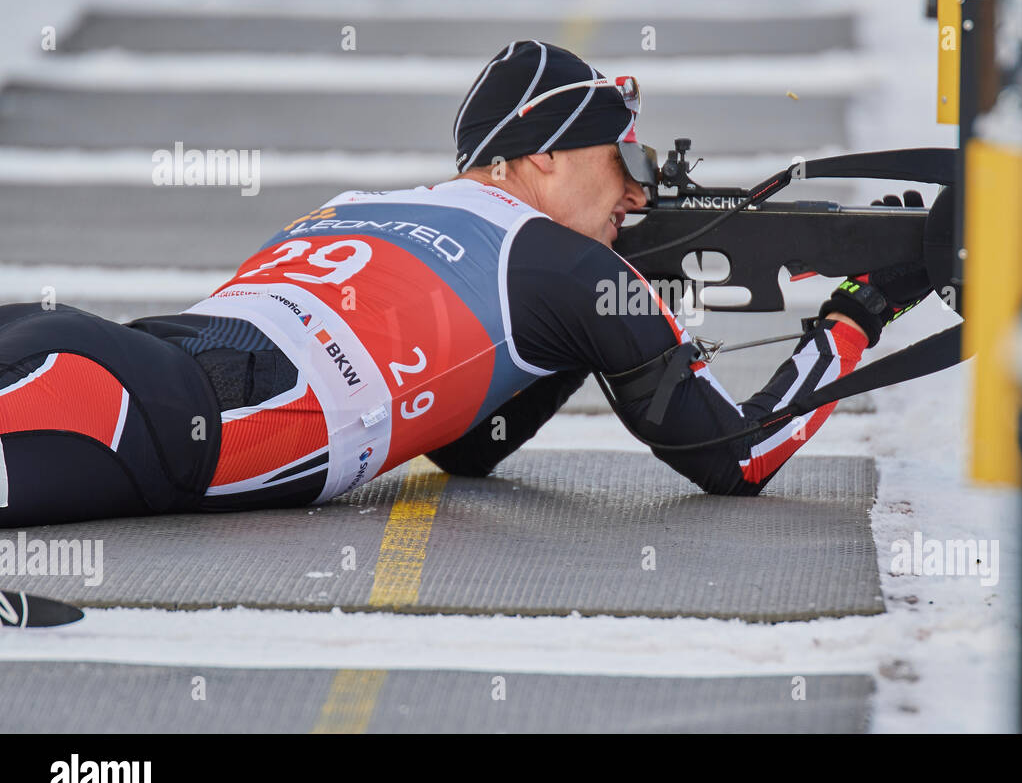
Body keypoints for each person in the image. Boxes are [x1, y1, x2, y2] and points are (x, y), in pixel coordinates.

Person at [0, 41, 930, 528]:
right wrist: (864, 311)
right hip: (146, 408)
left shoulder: (365, 201)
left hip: (125, 359)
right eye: (624, 156)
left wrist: (594, 327)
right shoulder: (560, 267)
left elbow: (469, 445)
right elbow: (736, 456)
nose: (640, 190)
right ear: (541, 159)